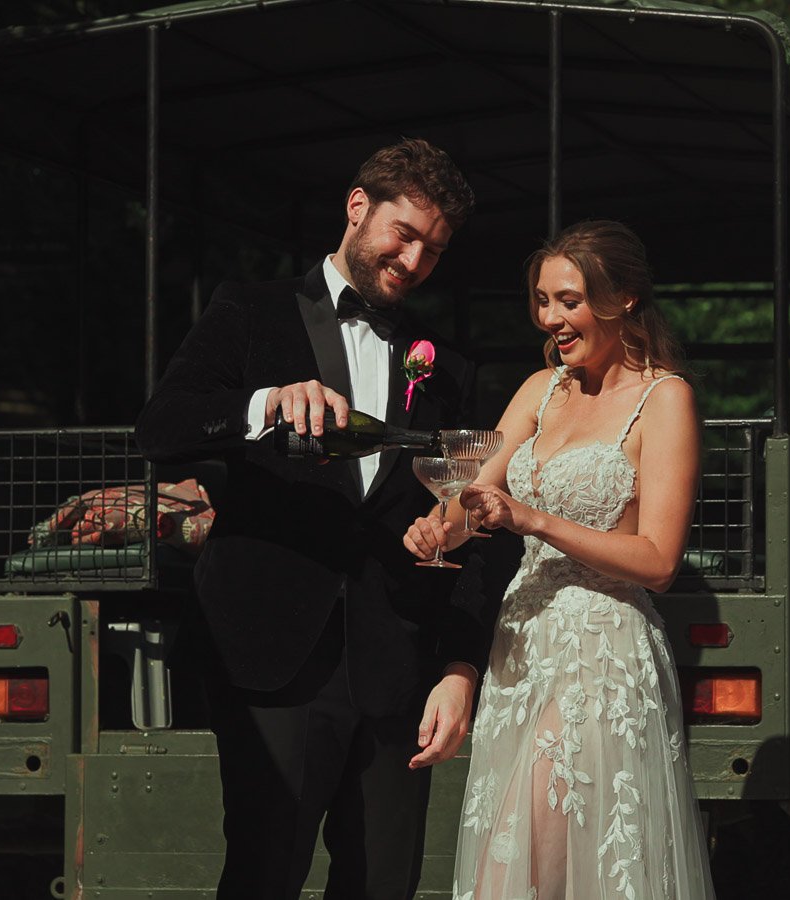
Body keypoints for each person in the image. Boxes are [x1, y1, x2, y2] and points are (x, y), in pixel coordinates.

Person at [135, 138, 508, 900]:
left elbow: (480, 537)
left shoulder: (449, 369)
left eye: (433, 251)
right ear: (357, 205)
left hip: (398, 663)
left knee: (384, 886)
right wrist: (261, 407)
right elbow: (159, 429)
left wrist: (461, 666)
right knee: (265, 877)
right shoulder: (250, 308)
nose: (412, 261)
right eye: (403, 235)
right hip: (269, 656)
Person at [405, 220, 716, 899]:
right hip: (520, 650)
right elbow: (475, 494)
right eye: (542, 301)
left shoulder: (665, 400)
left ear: (624, 297)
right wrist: (439, 529)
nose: (551, 318)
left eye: (569, 300)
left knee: (528, 858)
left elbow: (659, 559)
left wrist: (533, 518)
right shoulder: (539, 391)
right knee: (517, 860)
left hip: (600, 655)